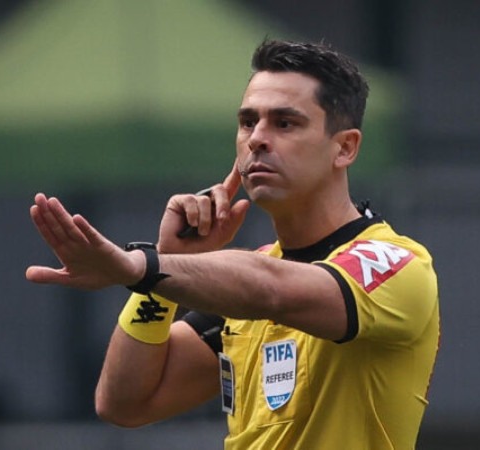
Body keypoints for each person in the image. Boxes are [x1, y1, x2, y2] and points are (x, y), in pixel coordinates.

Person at [27, 39, 440, 450]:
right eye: (247, 122)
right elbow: (124, 403)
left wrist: (140, 266)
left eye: (284, 123)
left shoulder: (397, 263)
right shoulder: (246, 283)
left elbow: (272, 289)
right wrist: (164, 267)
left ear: (345, 147)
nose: (257, 138)